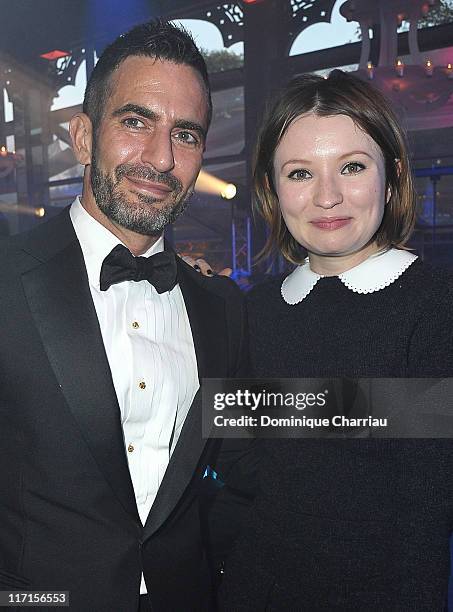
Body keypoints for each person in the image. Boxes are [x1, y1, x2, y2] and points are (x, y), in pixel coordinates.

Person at [0, 20, 255, 612]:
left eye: (186, 134)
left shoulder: (224, 309)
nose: (161, 157)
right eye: (136, 121)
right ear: (84, 137)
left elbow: (240, 478)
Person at [217, 71, 453, 610]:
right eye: (300, 173)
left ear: (390, 177)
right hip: (253, 588)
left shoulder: (440, 305)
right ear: (272, 190)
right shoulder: (251, 313)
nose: (327, 197)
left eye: (351, 166)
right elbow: (235, 458)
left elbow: (431, 489)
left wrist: (278, 407)